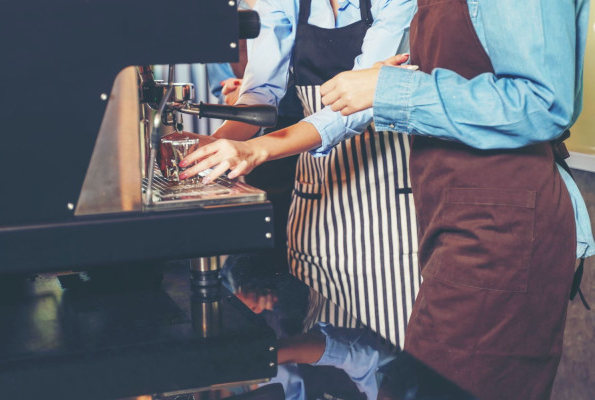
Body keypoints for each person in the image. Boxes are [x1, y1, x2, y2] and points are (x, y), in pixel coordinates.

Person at [183, 1, 595, 399]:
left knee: (403, 374)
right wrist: (213, 147)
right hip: (432, 211)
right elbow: (265, 93)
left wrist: (386, 88)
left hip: (468, 220)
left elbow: (544, 103)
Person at [183, 0, 418, 348]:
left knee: (389, 363)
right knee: (319, 352)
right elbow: (260, 97)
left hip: (388, 221)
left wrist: (258, 149)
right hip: (313, 219)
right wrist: (212, 147)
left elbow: (359, 102)